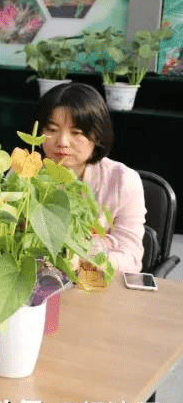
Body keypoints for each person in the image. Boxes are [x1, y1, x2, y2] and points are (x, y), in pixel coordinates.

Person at [35, 82, 146, 274]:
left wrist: (82, 259)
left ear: (97, 134)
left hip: (96, 288)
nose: (62, 142)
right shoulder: (27, 174)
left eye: (76, 133)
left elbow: (131, 259)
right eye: (52, 130)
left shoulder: (123, 181)